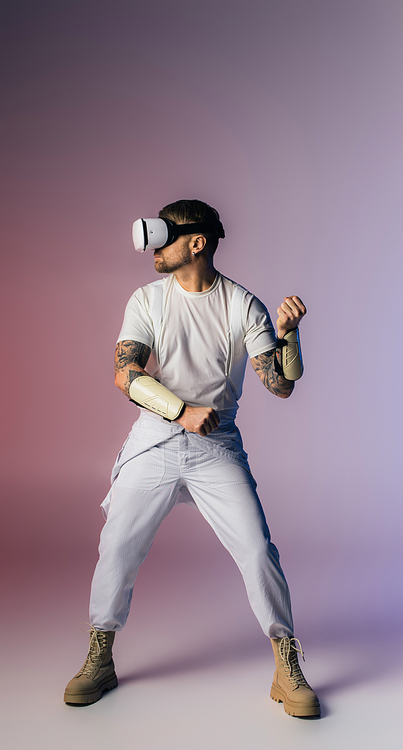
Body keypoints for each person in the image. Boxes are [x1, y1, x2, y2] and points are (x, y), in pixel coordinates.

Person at [63, 199, 320, 717]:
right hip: (155, 439)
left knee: (256, 550)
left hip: (216, 447)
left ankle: (286, 661)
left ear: (196, 243)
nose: (156, 249)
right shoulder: (147, 299)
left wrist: (288, 335)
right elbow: (125, 374)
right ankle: (100, 655)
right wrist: (180, 411)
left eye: (167, 238)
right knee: (117, 545)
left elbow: (281, 386)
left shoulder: (242, 305)